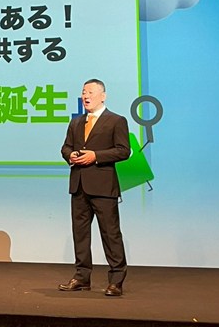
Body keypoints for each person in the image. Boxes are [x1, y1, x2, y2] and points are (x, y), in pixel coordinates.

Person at [58, 78, 131, 296]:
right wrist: (70, 155)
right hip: (78, 185)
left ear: (103, 96)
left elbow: (123, 151)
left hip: (103, 187)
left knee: (110, 233)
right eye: (83, 92)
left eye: (90, 92)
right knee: (80, 234)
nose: (85, 96)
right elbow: (65, 147)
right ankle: (82, 277)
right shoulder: (76, 122)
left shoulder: (116, 120)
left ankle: (116, 280)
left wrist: (96, 156)